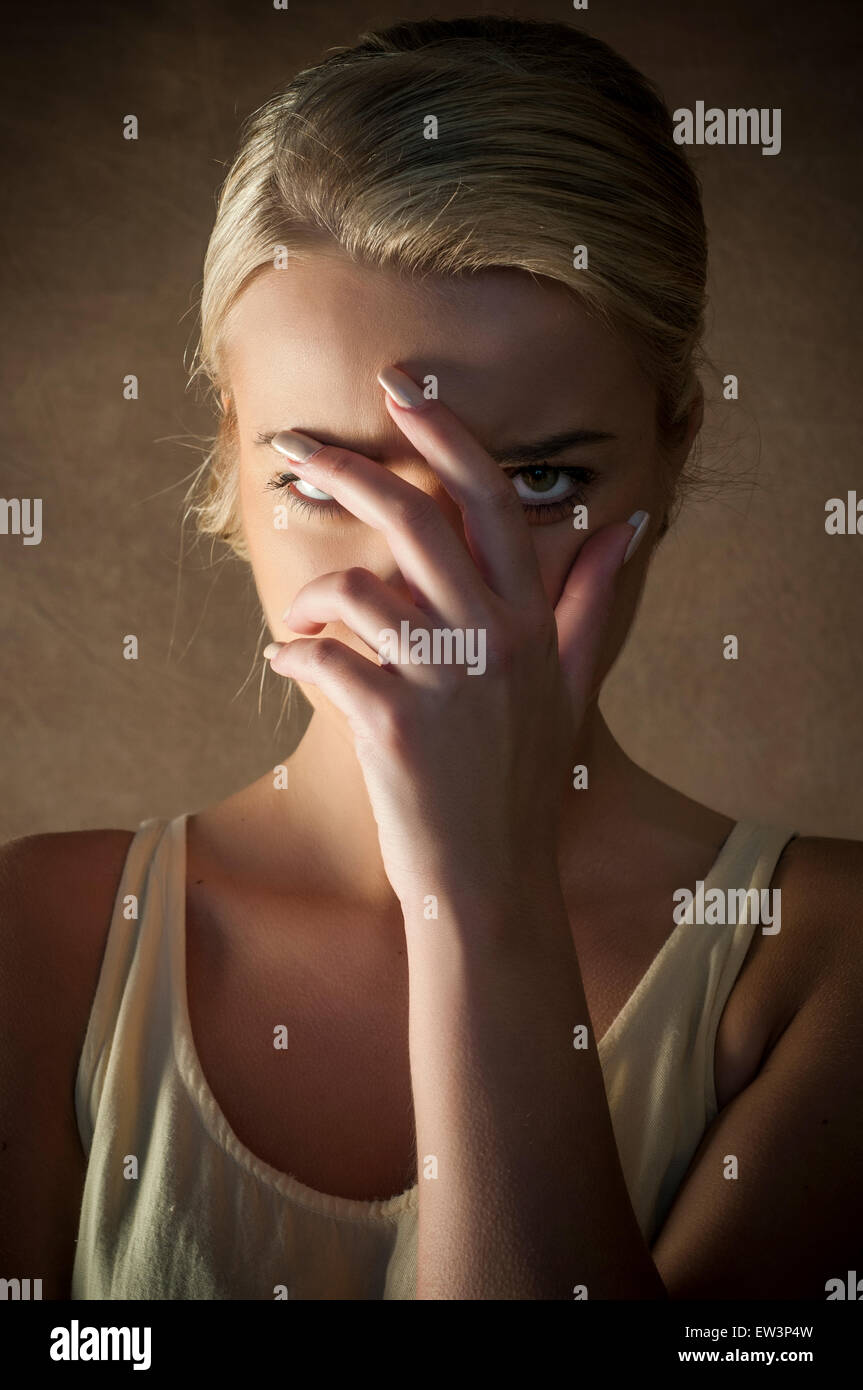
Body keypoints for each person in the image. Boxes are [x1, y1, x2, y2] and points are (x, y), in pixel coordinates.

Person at [1, 15, 860, 1301]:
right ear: (230, 467)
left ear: (670, 451)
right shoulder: (43, 944)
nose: (426, 581)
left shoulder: (820, 967)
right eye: (324, 478)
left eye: (535, 477)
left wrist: (482, 885)